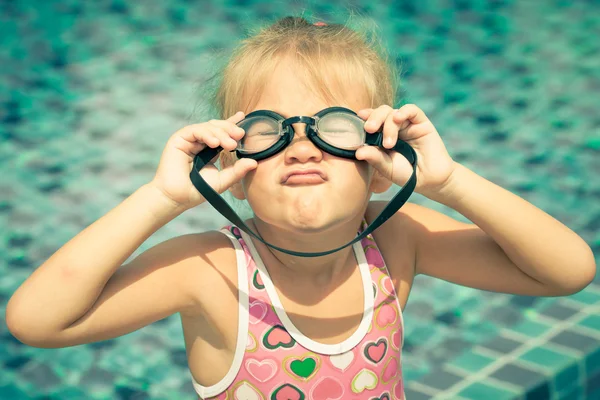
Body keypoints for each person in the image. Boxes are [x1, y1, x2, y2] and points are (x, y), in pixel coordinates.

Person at [5, 16, 596, 400]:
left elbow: (568, 272)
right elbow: (37, 321)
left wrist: (447, 182)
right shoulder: (209, 270)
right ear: (233, 174)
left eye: (336, 127)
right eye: (269, 131)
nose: (304, 145)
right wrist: (164, 197)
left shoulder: (397, 241)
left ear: (377, 162)